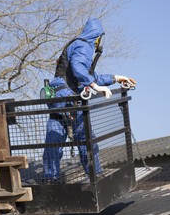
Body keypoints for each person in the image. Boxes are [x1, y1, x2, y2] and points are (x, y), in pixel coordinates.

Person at [42, 17, 136, 182]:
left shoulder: (75, 44)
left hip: (59, 97)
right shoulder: (85, 45)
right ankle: (95, 174)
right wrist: (95, 86)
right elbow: (79, 69)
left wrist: (116, 78)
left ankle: (51, 178)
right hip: (69, 98)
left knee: (54, 139)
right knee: (85, 138)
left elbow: (91, 75)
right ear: (97, 36)